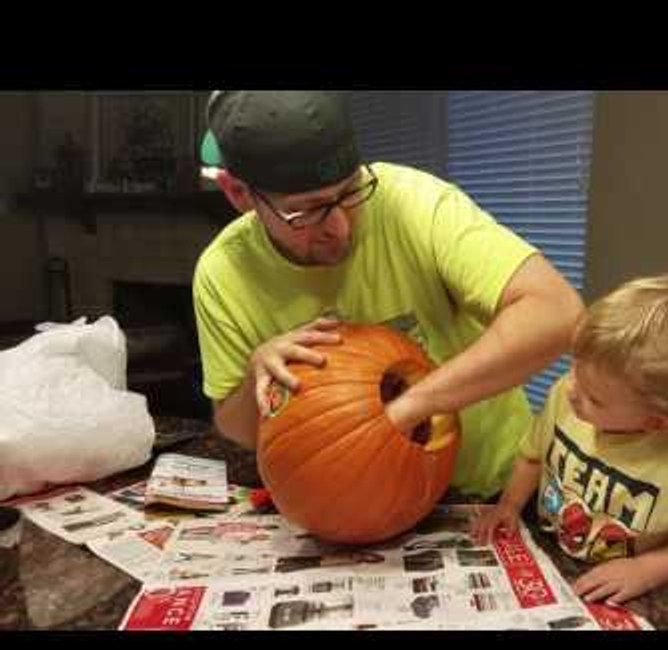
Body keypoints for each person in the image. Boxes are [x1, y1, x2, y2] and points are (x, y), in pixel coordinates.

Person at [193, 91, 583, 500]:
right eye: (306, 211)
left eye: (350, 191)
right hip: (357, 502)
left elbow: (556, 311)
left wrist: (409, 407)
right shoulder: (223, 274)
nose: (341, 227)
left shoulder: (416, 204)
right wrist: (258, 371)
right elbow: (236, 427)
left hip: (490, 493)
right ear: (239, 194)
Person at [471, 274, 668, 626]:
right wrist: (509, 505)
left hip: (644, 597)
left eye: (594, 398)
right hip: (562, 558)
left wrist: (645, 569)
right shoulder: (566, 395)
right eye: (574, 368)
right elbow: (532, 453)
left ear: (656, 422)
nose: (572, 390)